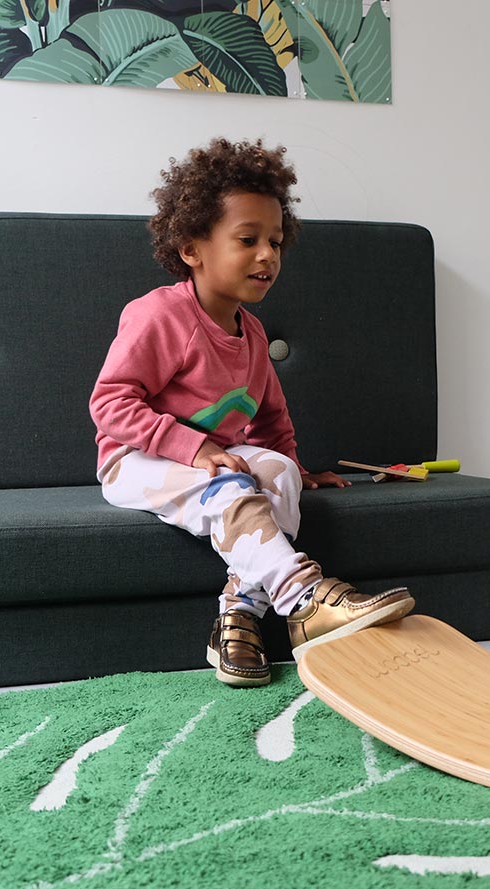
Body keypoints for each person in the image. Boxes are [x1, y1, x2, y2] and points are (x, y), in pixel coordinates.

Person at [89, 137, 414, 688]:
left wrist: (298, 468)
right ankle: (304, 599)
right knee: (230, 489)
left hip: (212, 461)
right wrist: (196, 448)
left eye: (276, 241)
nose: (268, 255)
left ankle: (238, 616)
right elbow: (110, 403)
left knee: (277, 473)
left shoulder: (253, 334)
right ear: (192, 248)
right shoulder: (160, 316)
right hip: (137, 460)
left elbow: (270, 422)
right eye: (248, 240)